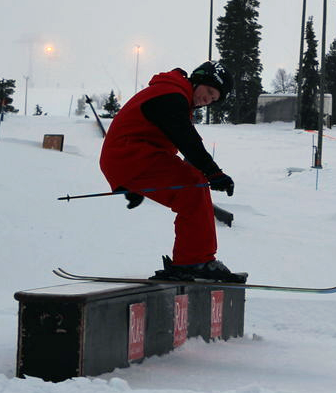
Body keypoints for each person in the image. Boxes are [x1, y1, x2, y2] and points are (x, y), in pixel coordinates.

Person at [99, 61, 244, 282]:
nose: (207, 100)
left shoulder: (173, 94)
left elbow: (182, 141)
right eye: (209, 92)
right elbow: (186, 138)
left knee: (193, 185)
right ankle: (194, 261)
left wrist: (128, 183)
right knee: (192, 187)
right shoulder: (171, 94)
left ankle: (193, 260)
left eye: (213, 99)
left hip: (130, 157)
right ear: (198, 80)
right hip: (132, 155)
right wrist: (213, 173)